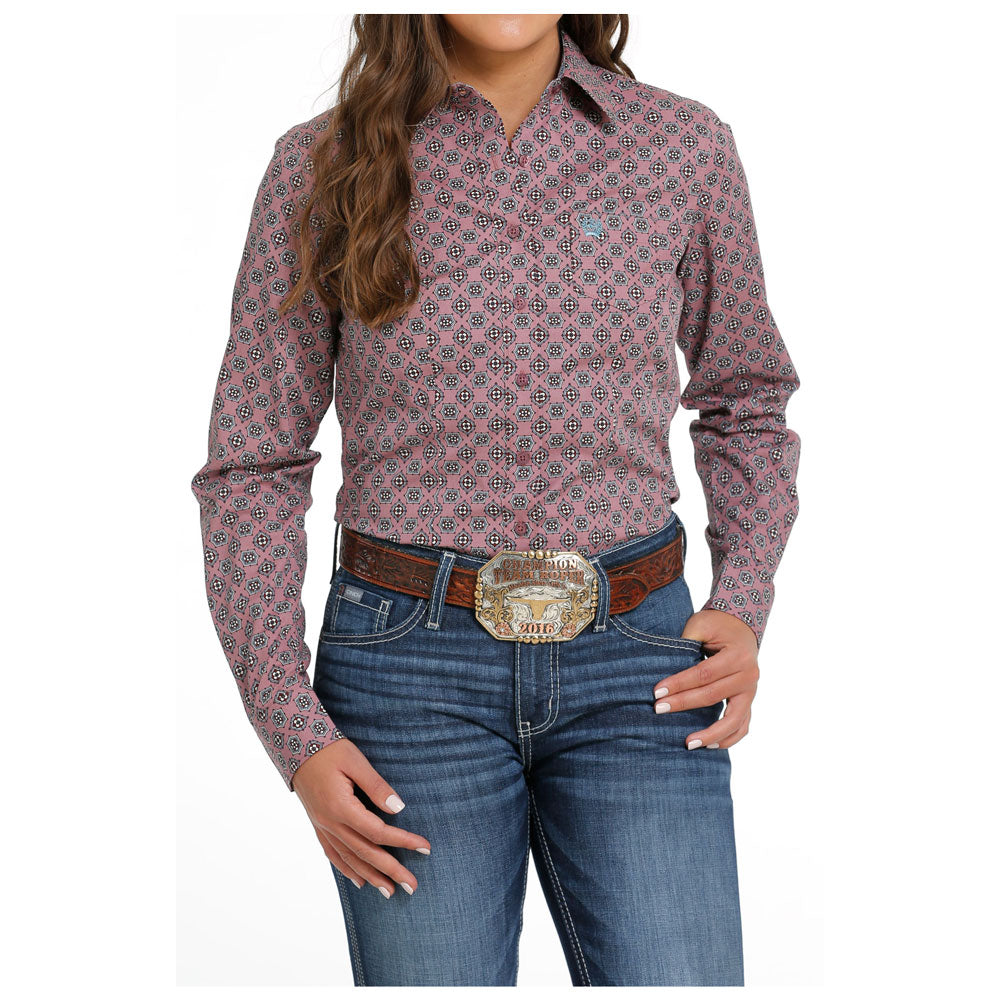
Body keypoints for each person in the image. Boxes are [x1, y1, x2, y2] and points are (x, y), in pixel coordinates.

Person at [189, 12, 801, 987]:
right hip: (404, 679)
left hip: (641, 668)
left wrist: (745, 597)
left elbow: (747, 397)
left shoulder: (681, 146)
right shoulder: (320, 165)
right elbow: (252, 461)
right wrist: (292, 730)